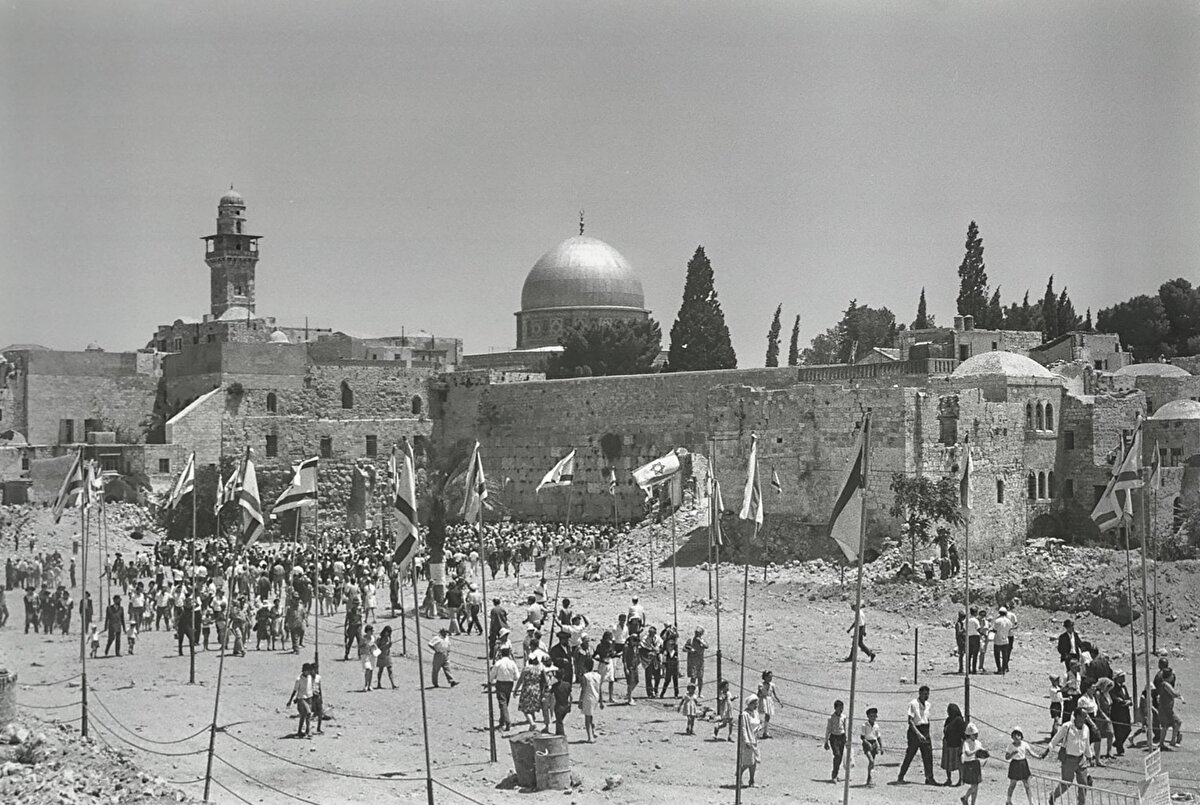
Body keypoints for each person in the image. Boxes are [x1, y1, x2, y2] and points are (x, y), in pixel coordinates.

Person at [1047, 708, 1092, 805]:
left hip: (1081, 759)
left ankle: (1081, 803)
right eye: (1084, 716)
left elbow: (1087, 744)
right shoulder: (1067, 727)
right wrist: (1048, 749)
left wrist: (1090, 756)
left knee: (1083, 784)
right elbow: (1056, 738)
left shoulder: (1086, 729)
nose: (1086, 718)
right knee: (1066, 783)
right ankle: (1053, 796)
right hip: (1068, 759)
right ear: (1077, 716)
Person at [897, 685, 936, 785]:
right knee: (910, 754)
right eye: (924, 694)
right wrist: (918, 734)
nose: (926, 696)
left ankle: (929, 778)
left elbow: (927, 718)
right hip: (915, 731)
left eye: (927, 694)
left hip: (925, 729)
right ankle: (901, 776)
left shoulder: (928, 704)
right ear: (919, 693)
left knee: (928, 755)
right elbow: (910, 721)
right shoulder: (913, 704)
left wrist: (926, 733)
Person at [1005, 726, 1042, 805]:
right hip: (1014, 764)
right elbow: (1007, 757)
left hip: (1023, 764)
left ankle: (1031, 802)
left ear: (1021, 737)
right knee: (1013, 784)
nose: (1016, 737)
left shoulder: (1024, 744)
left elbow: (1031, 752)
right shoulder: (1010, 746)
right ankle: (1008, 800)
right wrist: (1012, 754)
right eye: (1014, 735)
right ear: (1012, 737)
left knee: (1027, 784)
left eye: (1018, 735)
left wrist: (1038, 757)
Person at [514, 653, 546, 731]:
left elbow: (520, 680)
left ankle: (532, 723)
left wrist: (515, 689)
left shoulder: (526, 669)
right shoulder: (540, 669)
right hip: (536, 689)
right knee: (532, 707)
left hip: (527, 689)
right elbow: (544, 680)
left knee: (525, 708)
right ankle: (531, 726)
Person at [492, 647, 520, 732]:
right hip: (509, 684)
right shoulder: (512, 663)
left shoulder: (498, 663)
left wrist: (490, 681)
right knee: (505, 703)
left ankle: (507, 721)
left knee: (502, 703)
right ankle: (502, 720)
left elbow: (492, 674)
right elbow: (517, 677)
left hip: (500, 683)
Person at [737, 695, 762, 789]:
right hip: (747, 739)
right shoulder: (744, 714)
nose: (756, 705)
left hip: (755, 738)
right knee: (748, 761)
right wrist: (746, 740)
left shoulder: (756, 713)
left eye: (757, 703)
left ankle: (752, 780)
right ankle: (739, 775)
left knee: (755, 761)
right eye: (754, 703)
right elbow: (743, 728)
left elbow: (757, 724)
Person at [960, 723, 985, 805]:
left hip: (976, 764)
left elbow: (981, 752)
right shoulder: (966, 743)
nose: (976, 736)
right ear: (969, 735)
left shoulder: (978, 743)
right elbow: (967, 753)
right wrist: (976, 751)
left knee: (976, 786)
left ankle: (972, 803)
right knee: (974, 786)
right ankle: (965, 797)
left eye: (976, 734)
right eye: (974, 734)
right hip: (969, 764)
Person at [286, 663, 313, 738]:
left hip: (309, 697)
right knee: (308, 713)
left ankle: (299, 731)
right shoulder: (299, 679)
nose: (308, 672)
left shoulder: (310, 677)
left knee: (303, 716)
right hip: (301, 698)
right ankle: (308, 730)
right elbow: (295, 690)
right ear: (304, 671)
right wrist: (290, 700)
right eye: (307, 671)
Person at [941, 702, 965, 786]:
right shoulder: (948, 719)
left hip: (956, 744)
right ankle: (949, 779)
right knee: (947, 763)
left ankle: (961, 780)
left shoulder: (958, 720)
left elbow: (963, 733)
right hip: (948, 743)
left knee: (959, 762)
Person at [580, 657, 603, 742]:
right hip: (595, 697)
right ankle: (593, 732)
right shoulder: (598, 675)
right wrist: (601, 701)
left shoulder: (585, 676)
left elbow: (583, 689)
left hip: (588, 697)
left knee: (587, 718)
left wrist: (580, 700)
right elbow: (600, 689)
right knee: (591, 715)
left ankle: (590, 737)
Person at [824, 699, 847, 782]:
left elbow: (845, 728)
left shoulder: (844, 717)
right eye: (839, 708)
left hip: (842, 737)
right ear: (835, 708)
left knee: (840, 757)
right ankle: (834, 775)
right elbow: (828, 730)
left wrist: (846, 739)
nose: (841, 710)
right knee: (837, 755)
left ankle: (836, 774)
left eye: (842, 708)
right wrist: (826, 741)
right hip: (834, 738)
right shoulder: (831, 718)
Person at [1110, 671, 1132, 756]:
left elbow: (1128, 697)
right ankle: (1120, 749)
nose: (1124, 678)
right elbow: (1114, 698)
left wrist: (1129, 701)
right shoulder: (1113, 688)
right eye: (1122, 676)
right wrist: (1122, 702)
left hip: (1125, 712)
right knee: (1118, 731)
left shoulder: (1124, 687)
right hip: (1117, 713)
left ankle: (1118, 743)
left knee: (1128, 729)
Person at [860, 707, 883, 786]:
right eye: (871, 716)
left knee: (872, 762)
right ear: (868, 716)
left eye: (874, 716)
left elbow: (878, 737)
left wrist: (881, 747)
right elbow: (862, 737)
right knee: (871, 760)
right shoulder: (864, 725)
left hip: (874, 743)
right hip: (867, 743)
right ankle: (870, 778)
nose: (873, 718)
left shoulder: (876, 726)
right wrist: (867, 743)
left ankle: (869, 779)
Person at [757, 670, 781, 739]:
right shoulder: (761, 685)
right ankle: (758, 728)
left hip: (769, 700)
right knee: (760, 714)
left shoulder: (772, 685)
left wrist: (779, 701)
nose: (770, 679)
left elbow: (774, 694)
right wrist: (760, 691)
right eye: (769, 677)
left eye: (771, 677)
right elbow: (758, 694)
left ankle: (765, 731)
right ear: (765, 677)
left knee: (768, 715)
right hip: (763, 699)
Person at [683, 627, 708, 695]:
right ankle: (692, 692)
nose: (697, 634)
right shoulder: (690, 640)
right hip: (692, 661)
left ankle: (700, 693)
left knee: (700, 677)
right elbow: (684, 648)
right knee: (693, 677)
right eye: (696, 633)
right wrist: (690, 650)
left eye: (699, 633)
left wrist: (700, 641)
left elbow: (706, 646)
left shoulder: (702, 640)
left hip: (700, 661)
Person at [992, 607, 1014, 674]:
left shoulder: (997, 621)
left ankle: (999, 669)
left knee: (997, 656)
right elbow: (1010, 629)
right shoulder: (1008, 621)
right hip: (1005, 640)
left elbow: (995, 630)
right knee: (1005, 656)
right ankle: (1004, 669)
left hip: (997, 640)